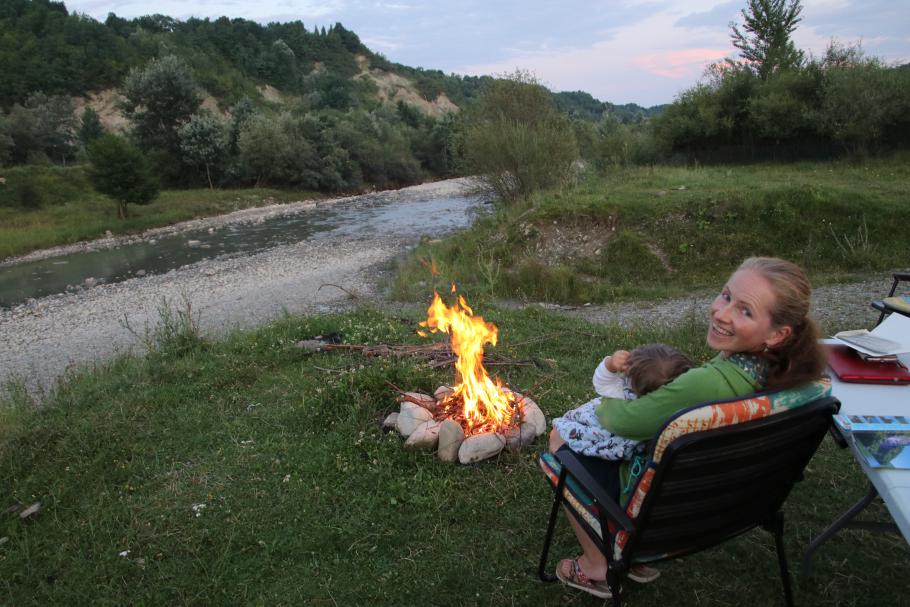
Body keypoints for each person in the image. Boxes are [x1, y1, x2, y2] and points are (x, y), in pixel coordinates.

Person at [548, 257, 827, 599]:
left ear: (778, 333)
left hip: (658, 514)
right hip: (732, 505)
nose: (722, 313)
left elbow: (622, 421)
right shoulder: (791, 378)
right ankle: (626, 557)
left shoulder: (708, 385)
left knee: (560, 439)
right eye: (726, 296)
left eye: (745, 311)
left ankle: (599, 566)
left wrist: (604, 400)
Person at [551, 344, 693, 461]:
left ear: (633, 382)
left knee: (558, 431)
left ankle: (560, 458)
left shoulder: (625, 396)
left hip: (607, 435)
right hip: (634, 447)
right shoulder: (683, 408)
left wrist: (610, 364)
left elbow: (601, 382)